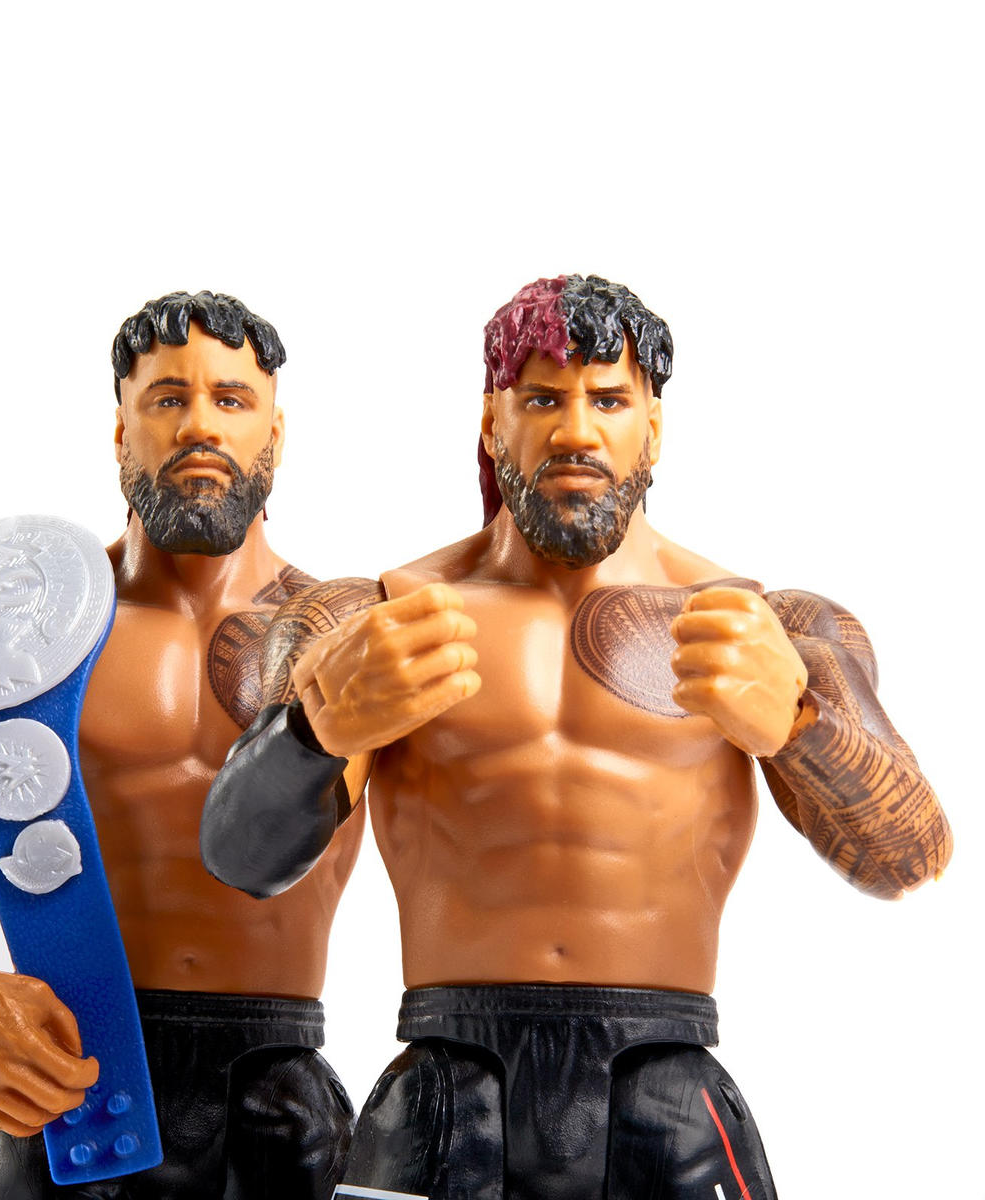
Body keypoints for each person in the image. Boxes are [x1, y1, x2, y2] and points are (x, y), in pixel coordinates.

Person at [201, 274, 952, 1199]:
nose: (576, 431)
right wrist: (315, 732)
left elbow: (910, 859)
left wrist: (801, 727)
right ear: (492, 422)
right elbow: (240, 859)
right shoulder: (375, 620)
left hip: (664, 1086)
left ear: (654, 428)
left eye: (609, 400)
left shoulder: (767, 627)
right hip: (450, 1084)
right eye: (543, 400)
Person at [0, 290, 363, 1198]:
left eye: (231, 399)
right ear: (120, 431)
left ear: (275, 433)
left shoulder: (355, 637)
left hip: (272, 1099)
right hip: (65, 1089)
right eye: (167, 398)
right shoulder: (7, 638)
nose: (200, 424)